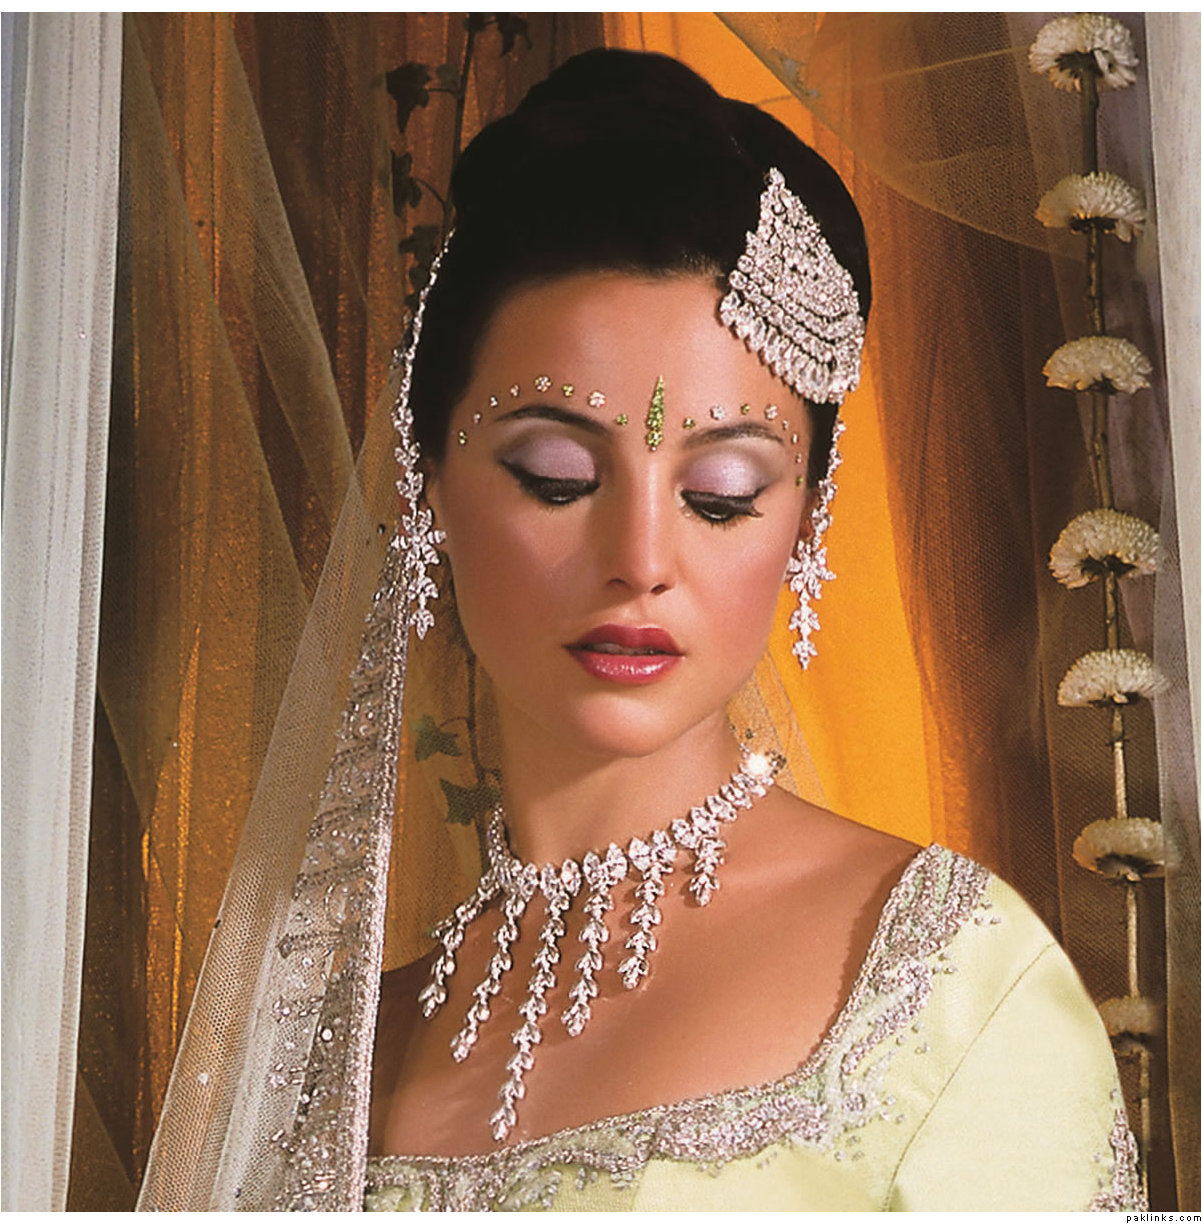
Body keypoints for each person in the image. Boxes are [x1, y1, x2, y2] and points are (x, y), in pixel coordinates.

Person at [135, 49, 1144, 1213]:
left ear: (805, 521)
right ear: (425, 486)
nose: (640, 559)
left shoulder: (947, 992)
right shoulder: (329, 1054)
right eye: (556, 476)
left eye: (720, 494)